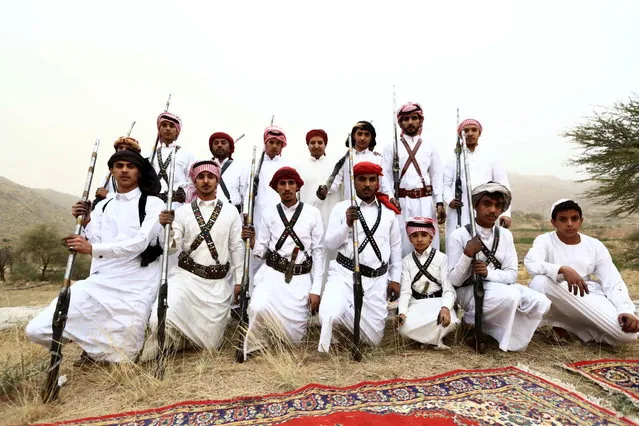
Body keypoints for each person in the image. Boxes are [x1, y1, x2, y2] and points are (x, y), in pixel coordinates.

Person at [26, 150, 163, 364]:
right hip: (101, 280)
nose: (124, 170)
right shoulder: (104, 206)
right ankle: (79, 348)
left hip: (137, 284)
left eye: (130, 166)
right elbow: (96, 239)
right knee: (37, 330)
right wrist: (86, 220)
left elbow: (139, 243)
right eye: (119, 166)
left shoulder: (153, 204)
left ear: (139, 172)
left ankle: (95, 349)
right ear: (112, 171)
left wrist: (90, 248)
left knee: (125, 358)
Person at [140, 160, 244, 361]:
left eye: (210, 177)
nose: (206, 181)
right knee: (159, 320)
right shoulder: (182, 212)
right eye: (201, 177)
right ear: (194, 181)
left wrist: (239, 280)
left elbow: (236, 247)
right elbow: (171, 248)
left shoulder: (231, 211)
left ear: (217, 180)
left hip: (216, 286)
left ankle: (180, 340)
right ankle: (167, 343)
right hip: (186, 279)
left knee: (211, 344)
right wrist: (165, 228)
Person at [447, 182, 550, 352]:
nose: (493, 210)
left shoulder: (506, 235)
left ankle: (493, 330)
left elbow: (512, 275)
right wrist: (467, 254)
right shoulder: (458, 235)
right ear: (475, 205)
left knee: (540, 302)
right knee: (510, 297)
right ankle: (471, 320)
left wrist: (488, 273)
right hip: (468, 291)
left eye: (498, 206)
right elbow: (454, 281)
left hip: (498, 286)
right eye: (487, 204)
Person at [524, 199, 639, 345]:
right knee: (539, 282)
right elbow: (531, 263)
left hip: (587, 294)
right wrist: (562, 269)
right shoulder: (545, 240)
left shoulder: (595, 245)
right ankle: (558, 325)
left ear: (581, 220)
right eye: (563, 219)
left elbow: (613, 280)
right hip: (557, 291)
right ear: (554, 223)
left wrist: (626, 309)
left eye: (574, 218)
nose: (570, 223)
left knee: (628, 336)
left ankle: (579, 328)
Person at [241, 167, 325, 359]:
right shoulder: (269, 214)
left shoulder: (313, 213)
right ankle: (259, 343)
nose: (287, 188)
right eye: (282, 184)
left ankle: (282, 334)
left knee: (293, 340)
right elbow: (260, 252)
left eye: (291, 183)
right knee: (258, 307)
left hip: (301, 278)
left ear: (297, 186)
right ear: (276, 188)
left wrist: (316, 289)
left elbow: (319, 252)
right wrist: (250, 239)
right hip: (273, 275)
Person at [318, 162, 401, 353]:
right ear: (354, 182)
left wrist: (395, 279)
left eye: (372, 180)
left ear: (378, 183)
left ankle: (351, 325)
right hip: (344, 274)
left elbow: (395, 247)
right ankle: (337, 336)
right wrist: (347, 224)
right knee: (330, 314)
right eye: (362, 179)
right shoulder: (341, 208)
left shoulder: (389, 212)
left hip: (376, 280)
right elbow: (330, 244)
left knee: (373, 340)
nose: (367, 184)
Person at [382, 102, 445, 254]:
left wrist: (439, 202)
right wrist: (391, 198)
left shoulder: (430, 146)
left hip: (424, 201)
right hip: (400, 203)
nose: (410, 122)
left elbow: (437, 176)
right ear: (400, 122)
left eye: (414, 118)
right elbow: (385, 175)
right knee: (402, 243)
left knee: (426, 239)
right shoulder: (392, 147)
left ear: (420, 120)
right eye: (406, 119)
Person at [443, 119, 512, 249]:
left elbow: (503, 186)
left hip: (487, 209)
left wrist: (505, 213)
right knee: (457, 246)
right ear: (460, 134)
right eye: (466, 131)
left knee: (486, 249)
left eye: (473, 130)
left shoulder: (491, 157)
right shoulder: (453, 158)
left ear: (479, 133)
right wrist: (449, 200)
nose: (470, 133)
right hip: (459, 210)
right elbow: (445, 184)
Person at [395, 217, 459, 349]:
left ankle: (425, 338)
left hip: (438, 302)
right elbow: (406, 291)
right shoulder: (406, 261)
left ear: (431, 237)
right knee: (403, 328)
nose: (419, 239)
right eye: (414, 235)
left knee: (450, 321)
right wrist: (402, 312)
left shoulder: (442, 258)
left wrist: (446, 308)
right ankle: (432, 338)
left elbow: (448, 288)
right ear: (410, 238)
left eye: (424, 235)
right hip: (417, 303)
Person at [317, 121, 391, 202]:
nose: (362, 138)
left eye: (366, 134)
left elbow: (385, 184)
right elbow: (335, 181)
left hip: (373, 207)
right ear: (353, 136)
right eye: (359, 134)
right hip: (351, 207)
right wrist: (325, 190)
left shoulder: (378, 159)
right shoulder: (345, 159)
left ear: (371, 137)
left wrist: (391, 198)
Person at [150, 112, 197, 207]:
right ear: (159, 129)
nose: (168, 128)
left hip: (177, 204)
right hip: (153, 204)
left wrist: (184, 192)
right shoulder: (151, 155)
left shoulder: (187, 155)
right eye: (164, 125)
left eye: (171, 126)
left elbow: (193, 181)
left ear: (177, 131)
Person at [296, 129, 340, 228]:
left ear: (325, 145)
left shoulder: (336, 165)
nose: (316, 146)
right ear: (308, 145)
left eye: (320, 142)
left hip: (331, 217)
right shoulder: (300, 167)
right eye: (312, 143)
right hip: (307, 218)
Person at [206, 131, 247, 213]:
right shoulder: (204, 167)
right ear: (211, 148)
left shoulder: (241, 167)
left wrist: (246, 213)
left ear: (230, 148)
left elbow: (245, 194)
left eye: (223, 143)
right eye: (216, 143)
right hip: (208, 213)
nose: (219, 145)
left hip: (232, 214)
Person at [94, 136, 142, 203]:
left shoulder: (139, 173)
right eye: (121, 147)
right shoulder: (110, 173)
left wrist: (108, 195)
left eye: (128, 148)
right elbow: (101, 193)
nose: (123, 150)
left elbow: (137, 197)